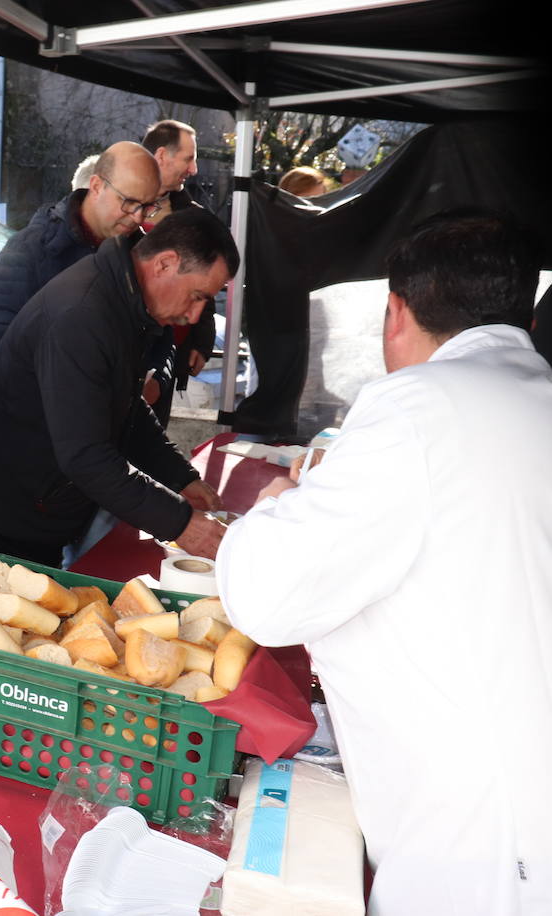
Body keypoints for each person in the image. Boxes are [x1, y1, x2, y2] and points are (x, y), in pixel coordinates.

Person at [216, 212, 552, 915]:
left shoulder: (419, 407)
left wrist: (278, 501)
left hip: (481, 841)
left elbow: (264, 593)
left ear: (395, 311)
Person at [0, 208, 235, 569]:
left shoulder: (122, 300)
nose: (194, 315)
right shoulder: (83, 314)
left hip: (35, 510)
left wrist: (179, 476)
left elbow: (124, 403)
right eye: (198, 296)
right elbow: (86, 456)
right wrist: (181, 524)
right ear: (165, 263)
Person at [0, 142, 162, 364]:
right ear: (96, 186)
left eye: (149, 207)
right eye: (129, 202)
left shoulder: (142, 254)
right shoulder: (29, 249)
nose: (138, 217)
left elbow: (162, 336)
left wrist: (158, 376)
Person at [140, 119, 216, 427]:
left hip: (171, 348)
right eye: (189, 158)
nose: (194, 169)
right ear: (161, 155)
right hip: (121, 346)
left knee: (153, 434)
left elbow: (205, 282)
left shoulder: (193, 217)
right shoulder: (118, 207)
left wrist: (202, 337)